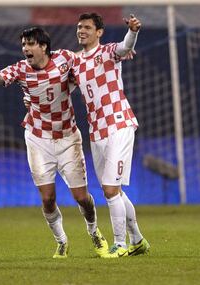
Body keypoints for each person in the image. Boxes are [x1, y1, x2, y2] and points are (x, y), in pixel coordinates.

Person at [0, 27, 109, 258]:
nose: (26, 49)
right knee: (48, 199)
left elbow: (89, 63)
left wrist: (118, 53)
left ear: (43, 47)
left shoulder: (65, 58)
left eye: (30, 44)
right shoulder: (21, 69)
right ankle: (61, 241)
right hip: (38, 139)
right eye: (23, 45)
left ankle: (94, 231)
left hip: (68, 138)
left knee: (82, 198)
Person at [71, 13, 150, 257]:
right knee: (115, 191)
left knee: (109, 189)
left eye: (87, 27)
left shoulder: (108, 52)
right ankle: (137, 239)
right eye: (79, 27)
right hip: (96, 132)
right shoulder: (75, 63)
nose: (81, 30)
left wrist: (133, 31)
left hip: (119, 124)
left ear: (99, 32)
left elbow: (125, 46)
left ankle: (120, 244)